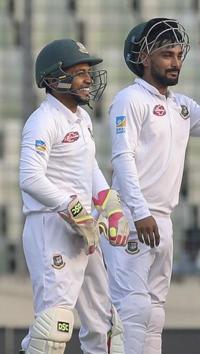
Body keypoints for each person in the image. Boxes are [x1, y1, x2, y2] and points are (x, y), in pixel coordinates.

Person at [101, 18, 200, 354]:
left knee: (155, 312)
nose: (175, 62)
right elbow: (122, 159)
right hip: (133, 216)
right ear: (144, 58)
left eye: (178, 55)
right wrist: (140, 211)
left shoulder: (181, 105)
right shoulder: (129, 99)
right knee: (132, 309)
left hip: (163, 219)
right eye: (166, 55)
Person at [19, 38, 128, 354]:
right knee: (53, 328)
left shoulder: (81, 119)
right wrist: (71, 207)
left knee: (106, 326)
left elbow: (88, 165)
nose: (88, 79)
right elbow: (29, 178)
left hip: (85, 228)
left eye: (88, 72)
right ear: (53, 79)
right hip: (51, 228)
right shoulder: (43, 121)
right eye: (79, 72)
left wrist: (112, 205)